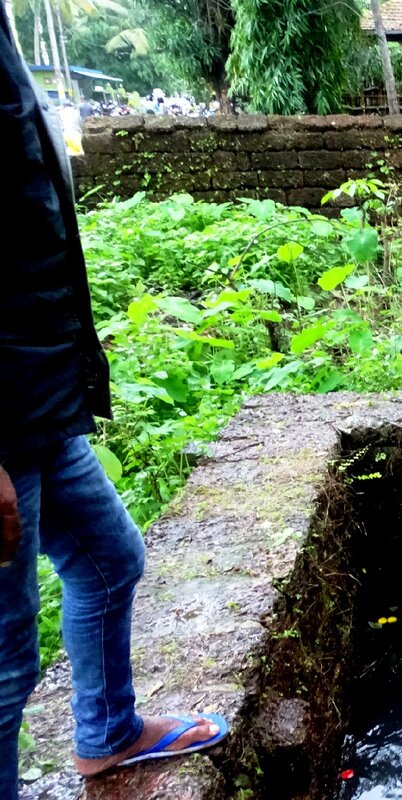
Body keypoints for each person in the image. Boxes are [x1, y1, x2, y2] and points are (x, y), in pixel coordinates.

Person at [1, 15, 226, 799]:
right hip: (2, 415)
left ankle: (106, 732)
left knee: (108, 558)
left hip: (35, 396)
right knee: (4, 659)